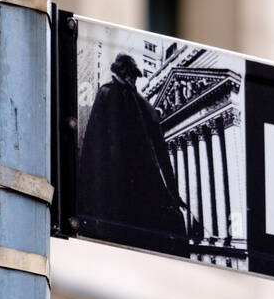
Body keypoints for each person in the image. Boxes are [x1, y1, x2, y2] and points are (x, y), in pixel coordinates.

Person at [76, 53, 202, 256]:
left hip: (116, 198)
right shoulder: (145, 106)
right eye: (132, 76)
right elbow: (162, 156)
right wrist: (172, 192)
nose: (133, 80)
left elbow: (93, 146)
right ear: (129, 76)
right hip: (143, 196)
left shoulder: (107, 94)